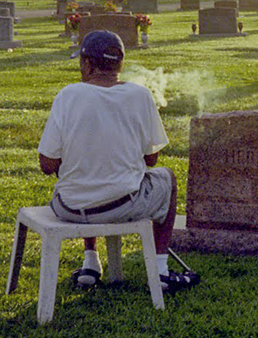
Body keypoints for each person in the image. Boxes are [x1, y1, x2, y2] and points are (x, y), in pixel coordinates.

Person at [37, 29, 196, 291]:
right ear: (120, 64)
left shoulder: (68, 95)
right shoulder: (141, 95)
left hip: (70, 207)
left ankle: (91, 263)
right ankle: (160, 271)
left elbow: (47, 165)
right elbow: (152, 159)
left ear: (87, 64)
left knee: (87, 176)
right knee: (168, 178)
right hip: (124, 206)